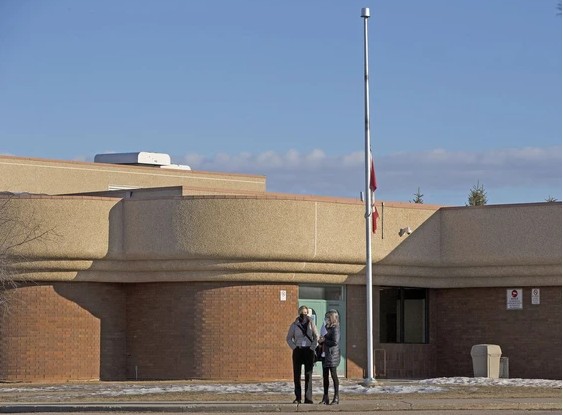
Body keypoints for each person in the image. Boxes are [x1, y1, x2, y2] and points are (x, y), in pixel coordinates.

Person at [286, 305, 319, 404]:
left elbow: (316, 336)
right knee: (297, 375)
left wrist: (312, 347)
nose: (304, 314)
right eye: (302, 312)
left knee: (308, 374)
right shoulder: (294, 325)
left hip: (308, 350)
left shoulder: (311, 323)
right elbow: (288, 338)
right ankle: (298, 397)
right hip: (298, 350)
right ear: (299, 313)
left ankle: (308, 398)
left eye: (305, 313)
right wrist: (294, 347)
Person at [317, 309, 341, 405]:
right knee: (325, 376)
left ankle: (336, 397)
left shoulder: (335, 328)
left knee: (333, 375)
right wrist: (320, 341)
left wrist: (324, 341)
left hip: (332, 355)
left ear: (333, 318)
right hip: (325, 354)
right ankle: (325, 397)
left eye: (328, 317)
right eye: (326, 317)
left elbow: (335, 342)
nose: (327, 319)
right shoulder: (326, 327)